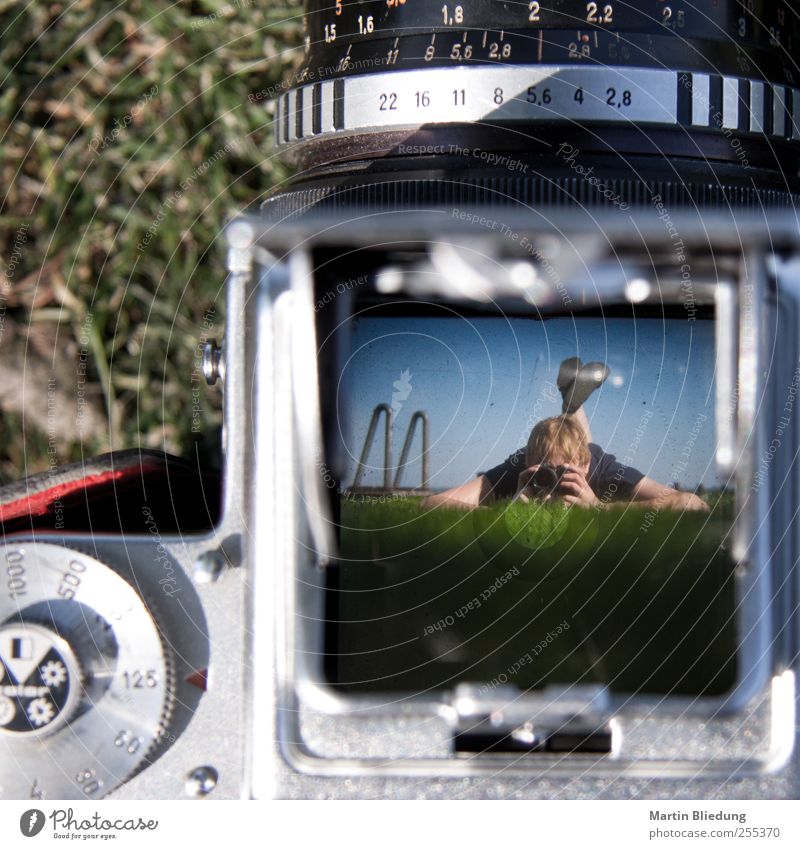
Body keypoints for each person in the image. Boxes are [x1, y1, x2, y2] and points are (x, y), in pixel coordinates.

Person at [423, 357, 708, 512]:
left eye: (565, 472)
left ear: (584, 466)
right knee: (575, 441)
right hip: (561, 455)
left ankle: (573, 406)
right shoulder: (522, 468)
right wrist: (506, 510)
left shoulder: (603, 469)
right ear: (530, 463)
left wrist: (599, 507)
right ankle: (573, 404)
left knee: (587, 443)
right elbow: (431, 504)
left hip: (590, 454)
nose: (554, 481)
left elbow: (693, 504)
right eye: (547, 472)